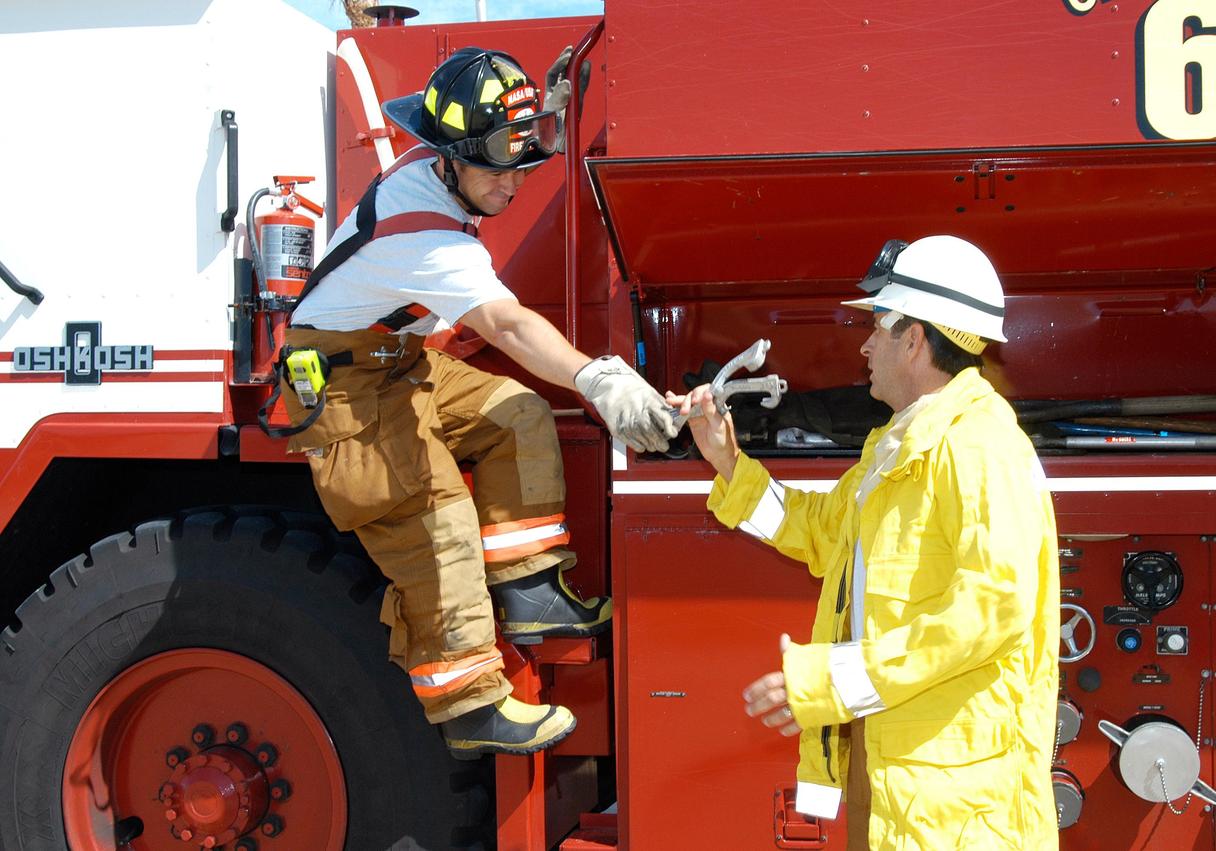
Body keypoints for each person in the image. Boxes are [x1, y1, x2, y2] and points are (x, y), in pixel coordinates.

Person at [280, 47, 676, 758]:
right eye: (497, 168)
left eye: (518, 163)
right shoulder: (424, 232)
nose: (513, 182)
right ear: (450, 159)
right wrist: (598, 379)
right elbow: (508, 324)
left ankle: (529, 595)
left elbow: (514, 149)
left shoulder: (452, 168)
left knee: (515, 414)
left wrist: (550, 120)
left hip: (399, 361)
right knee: (439, 523)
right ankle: (471, 705)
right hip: (345, 386)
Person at [669, 236, 1060, 849]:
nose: (865, 344)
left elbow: (991, 611)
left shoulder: (982, 447)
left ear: (915, 339)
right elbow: (823, 533)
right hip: (902, 767)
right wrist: (727, 459)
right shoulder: (901, 445)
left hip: (951, 796)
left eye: (879, 325)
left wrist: (835, 681)